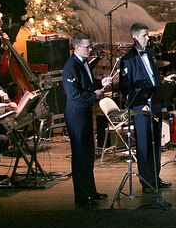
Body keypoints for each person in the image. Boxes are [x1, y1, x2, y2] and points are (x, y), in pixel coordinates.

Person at [118, 22, 170, 189]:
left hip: (154, 104)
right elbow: (125, 87)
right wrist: (138, 104)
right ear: (134, 37)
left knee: (156, 143)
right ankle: (146, 180)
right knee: (144, 145)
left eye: (147, 35)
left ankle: (155, 177)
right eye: (144, 36)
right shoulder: (128, 59)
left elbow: (153, 77)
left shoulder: (150, 53)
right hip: (141, 108)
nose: (148, 38)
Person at [63, 32, 113, 206]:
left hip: (84, 112)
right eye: (87, 47)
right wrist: (94, 95)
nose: (90, 49)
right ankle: (82, 196)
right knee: (80, 155)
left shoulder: (83, 63)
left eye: (90, 46)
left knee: (88, 153)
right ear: (77, 47)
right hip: (76, 114)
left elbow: (87, 83)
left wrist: (100, 83)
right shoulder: (71, 66)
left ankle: (91, 190)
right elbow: (74, 93)